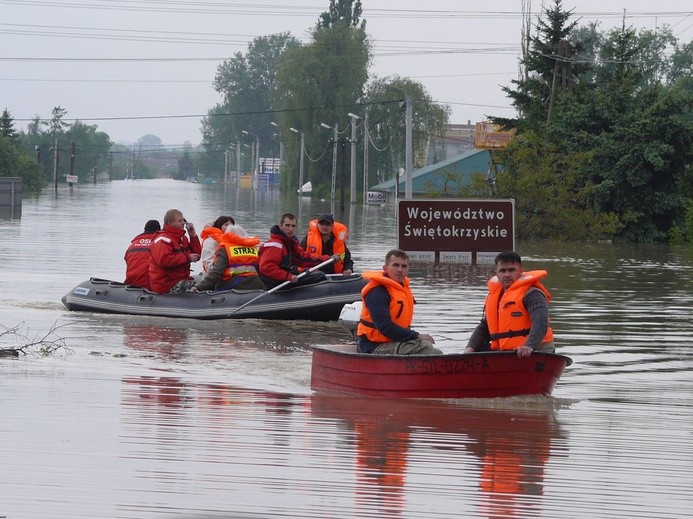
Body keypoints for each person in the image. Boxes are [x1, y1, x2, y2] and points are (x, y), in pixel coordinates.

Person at [465, 251, 555, 358]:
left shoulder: (533, 293)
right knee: (475, 351)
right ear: (496, 273)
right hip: (506, 353)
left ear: (520, 271)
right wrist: (470, 348)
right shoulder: (495, 295)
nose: (507, 274)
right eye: (502, 271)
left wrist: (529, 346)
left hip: (536, 349)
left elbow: (540, 321)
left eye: (511, 270)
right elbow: (485, 326)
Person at [356, 249, 441, 355]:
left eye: (404, 266)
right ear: (385, 268)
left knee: (436, 352)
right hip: (373, 346)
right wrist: (416, 335)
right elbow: (385, 327)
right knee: (424, 346)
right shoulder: (377, 292)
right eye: (396, 265)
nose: (400, 270)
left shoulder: (402, 288)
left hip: (394, 342)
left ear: (408, 270)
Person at [257, 213, 341, 290]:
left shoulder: (289, 244)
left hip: (285, 276)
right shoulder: (275, 245)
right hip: (275, 282)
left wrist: (328, 259)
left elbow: (303, 258)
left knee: (316, 273)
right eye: (287, 225)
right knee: (319, 275)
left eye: (293, 226)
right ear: (281, 226)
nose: (290, 229)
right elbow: (266, 267)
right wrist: (288, 276)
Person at [191, 224, 265, 292]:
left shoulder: (225, 249)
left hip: (234, 284)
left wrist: (199, 287)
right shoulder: (253, 248)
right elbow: (261, 270)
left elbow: (217, 273)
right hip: (256, 283)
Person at [149, 209, 202, 294]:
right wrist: (187, 258)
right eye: (180, 221)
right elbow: (164, 261)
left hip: (181, 280)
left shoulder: (182, 238)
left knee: (207, 283)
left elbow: (197, 256)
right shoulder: (162, 240)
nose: (183, 223)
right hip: (167, 284)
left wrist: (192, 236)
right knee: (202, 287)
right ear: (170, 223)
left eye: (184, 220)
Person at [123, 219, 160, 290]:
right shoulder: (159, 244)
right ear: (158, 230)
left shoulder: (133, 245)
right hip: (150, 285)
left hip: (131, 283)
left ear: (144, 230)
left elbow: (127, 260)